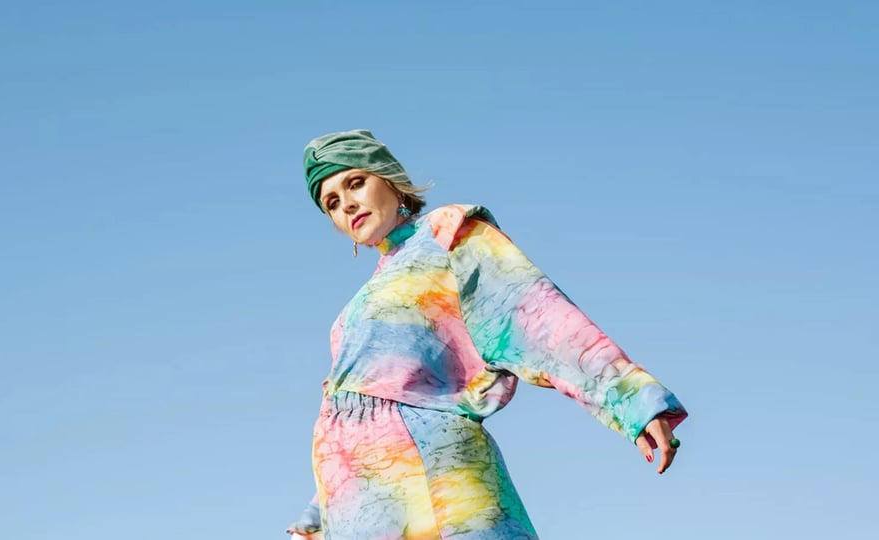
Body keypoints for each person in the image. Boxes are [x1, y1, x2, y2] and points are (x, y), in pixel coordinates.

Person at [288, 129, 688, 540]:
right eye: (331, 203)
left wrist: (632, 399)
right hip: (365, 512)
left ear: (388, 179)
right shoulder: (355, 309)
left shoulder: (447, 236)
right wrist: (316, 519)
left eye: (356, 183)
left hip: (440, 486)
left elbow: (539, 316)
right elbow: (356, 420)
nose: (347, 204)